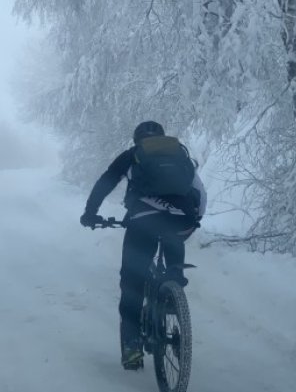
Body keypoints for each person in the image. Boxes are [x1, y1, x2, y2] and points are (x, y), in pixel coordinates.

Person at [80, 121, 207, 370]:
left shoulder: (133, 155)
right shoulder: (179, 154)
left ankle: (132, 346)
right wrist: (195, 220)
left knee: (131, 283)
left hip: (143, 223)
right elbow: (200, 192)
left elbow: (106, 181)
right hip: (181, 221)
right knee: (173, 256)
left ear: (137, 139)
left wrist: (90, 213)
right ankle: (173, 287)